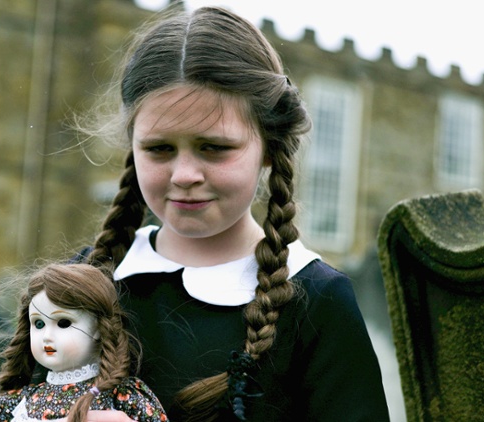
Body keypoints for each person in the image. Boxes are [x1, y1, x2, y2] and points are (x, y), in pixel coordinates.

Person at [72, 5, 390, 421]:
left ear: (270, 149)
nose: (185, 174)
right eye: (160, 148)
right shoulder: (86, 279)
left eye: (214, 147)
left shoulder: (317, 302)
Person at [0, 263, 168, 422]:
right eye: (38, 324)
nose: (47, 335)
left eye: (63, 323)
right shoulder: (15, 403)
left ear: (99, 328)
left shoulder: (122, 396)